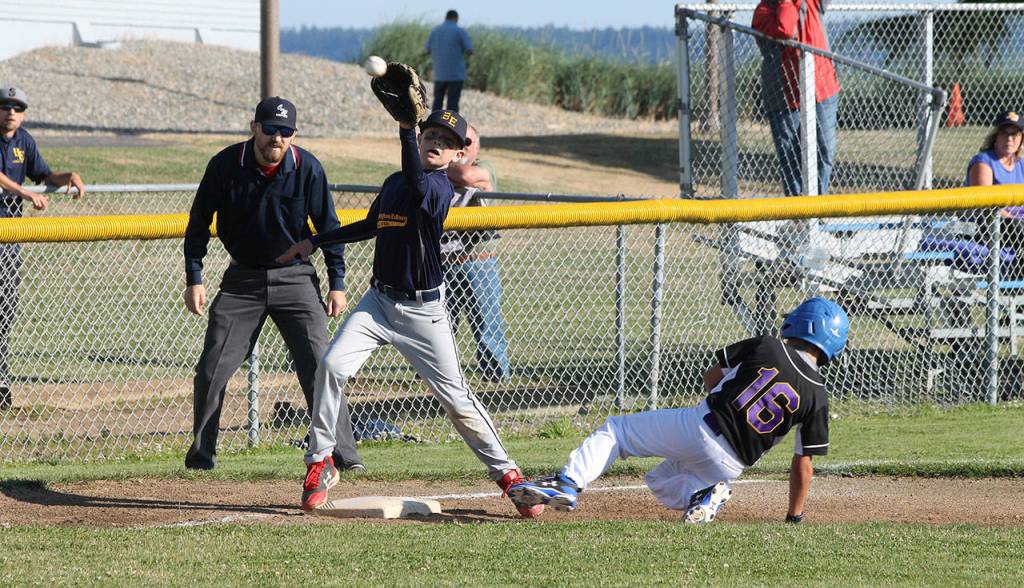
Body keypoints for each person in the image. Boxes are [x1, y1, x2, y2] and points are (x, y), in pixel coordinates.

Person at [276, 110, 541, 518]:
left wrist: (405, 130)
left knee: (456, 400)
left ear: (456, 155)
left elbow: (418, 183)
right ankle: (321, 462)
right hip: (378, 303)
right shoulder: (394, 182)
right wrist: (314, 241)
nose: (434, 141)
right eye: (428, 133)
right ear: (420, 141)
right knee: (330, 366)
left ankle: (509, 477)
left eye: (445, 139)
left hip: (424, 313)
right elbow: (371, 224)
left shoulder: (438, 187)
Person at [507, 297, 849, 524]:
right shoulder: (818, 395)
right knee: (660, 480)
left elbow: (713, 375)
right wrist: (794, 517)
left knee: (617, 432)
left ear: (799, 324)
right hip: (732, 465)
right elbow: (804, 464)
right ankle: (705, 496)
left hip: (702, 426)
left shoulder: (768, 345)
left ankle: (568, 483)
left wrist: (720, 404)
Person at [182, 96, 362, 471]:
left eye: (285, 131)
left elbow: (329, 228)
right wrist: (194, 277)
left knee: (319, 366)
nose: (276, 138)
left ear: (293, 135)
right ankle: (202, 456)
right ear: (254, 128)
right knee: (213, 365)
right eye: (270, 129)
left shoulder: (307, 168)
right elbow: (199, 223)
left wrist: (337, 282)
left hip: (296, 277)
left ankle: (344, 455)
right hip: (242, 278)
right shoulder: (226, 165)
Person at [0, 85, 86, 411]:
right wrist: (22, 192)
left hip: (10, 239)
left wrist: (69, 177)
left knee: (5, 309)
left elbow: (44, 174)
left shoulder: (24, 142)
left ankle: (1, 380)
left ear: (23, 114)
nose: (10, 112)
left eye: (17, 107)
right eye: (5, 106)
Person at [443, 124, 511, 381]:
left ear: (478, 147)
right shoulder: (443, 166)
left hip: (477, 262)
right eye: (457, 143)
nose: (463, 148)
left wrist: (441, 161)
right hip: (444, 262)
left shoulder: (485, 167)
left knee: (486, 322)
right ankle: (440, 374)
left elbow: (468, 178)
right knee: (441, 323)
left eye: (468, 143)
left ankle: (495, 376)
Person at [753, 0, 840, 197]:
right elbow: (785, 28)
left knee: (825, 150)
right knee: (790, 157)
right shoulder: (763, 12)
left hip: (823, 88)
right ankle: (799, 212)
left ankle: (817, 207)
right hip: (785, 96)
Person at [425, 10, 473, 113]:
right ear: (456, 18)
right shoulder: (460, 31)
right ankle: (451, 127)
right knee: (452, 104)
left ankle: (434, 124)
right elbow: (469, 50)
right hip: (455, 74)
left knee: (437, 101)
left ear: (446, 17)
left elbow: (427, 49)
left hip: (439, 73)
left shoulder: (435, 31)